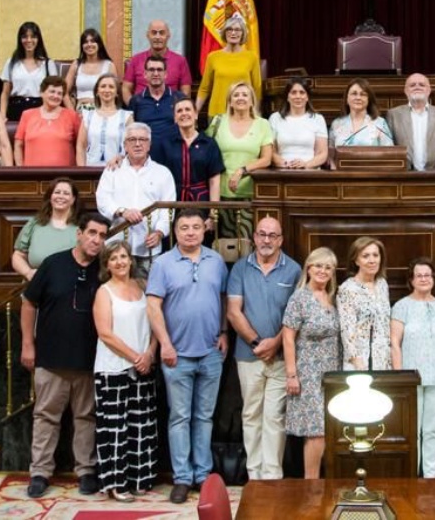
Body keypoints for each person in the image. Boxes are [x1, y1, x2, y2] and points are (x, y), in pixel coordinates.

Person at [20, 212, 111, 499]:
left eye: (102, 235)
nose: (96, 240)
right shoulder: (53, 264)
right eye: (92, 233)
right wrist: (27, 344)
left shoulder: (104, 269)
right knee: (46, 416)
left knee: (86, 417)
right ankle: (40, 472)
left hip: (90, 359)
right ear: (79, 233)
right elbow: (28, 303)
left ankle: (86, 470)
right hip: (51, 357)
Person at [145, 209, 229, 504]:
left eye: (195, 227)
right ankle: (182, 477)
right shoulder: (163, 263)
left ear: (204, 230)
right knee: (179, 417)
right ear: (175, 231)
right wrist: (165, 344)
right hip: (176, 355)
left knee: (204, 417)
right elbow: (153, 307)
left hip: (209, 352)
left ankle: (203, 476)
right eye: (184, 227)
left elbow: (222, 298)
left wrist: (223, 331)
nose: (190, 232)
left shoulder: (216, 260)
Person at [226, 217, 302, 480]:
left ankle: (272, 478)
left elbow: (296, 315)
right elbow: (234, 312)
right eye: (262, 234)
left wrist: (276, 342)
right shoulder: (239, 269)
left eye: (272, 235)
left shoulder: (294, 270)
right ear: (254, 237)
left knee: (274, 418)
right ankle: (254, 476)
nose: (267, 240)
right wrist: (258, 343)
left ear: (280, 239)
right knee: (251, 414)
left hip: (282, 357)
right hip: (249, 356)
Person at [91, 240, 158, 501]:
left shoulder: (142, 287)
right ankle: (117, 484)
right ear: (106, 265)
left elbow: (154, 324)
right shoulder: (103, 292)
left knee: (142, 425)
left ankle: (141, 478)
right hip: (113, 369)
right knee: (115, 428)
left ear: (131, 260)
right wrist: (134, 357)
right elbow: (105, 333)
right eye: (113, 258)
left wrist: (150, 353)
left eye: (123, 256)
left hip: (143, 366)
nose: (119, 262)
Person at [390, 258, 435, 479]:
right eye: (418, 275)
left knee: (432, 430)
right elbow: (394, 342)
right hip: (412, 378)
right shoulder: (402, 306)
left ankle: (429, 477)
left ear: (434, 279)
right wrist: (400, 377)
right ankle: (412, 475)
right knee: (412, 431)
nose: (423, 279)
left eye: (427, 275)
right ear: (411, 280)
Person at [283, 247, 342, 479]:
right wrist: (291, 374)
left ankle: (324, 482)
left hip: (332, 373)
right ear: (308, 267)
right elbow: (288, 337)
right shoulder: (300, 297)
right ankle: (311, 483)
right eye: (318, 265)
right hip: (308, 372)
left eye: (328, 267)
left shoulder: (333, 298)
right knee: (316, 432)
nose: (322, 271)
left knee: (329, 429)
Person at [94, 123, 176, 280]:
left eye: (142, 139)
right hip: (116, 246)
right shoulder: (112, 170)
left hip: (149, 248)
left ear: (149, 144)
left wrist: (159, 232)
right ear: (124, 145)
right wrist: (122, 211)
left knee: (149, 292)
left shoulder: (163, 173)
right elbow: (102, 199)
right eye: (132, 139)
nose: (137, 144)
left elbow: (168, 209)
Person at [207, 81, 273, 242]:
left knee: (245, 243)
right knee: (224, 244)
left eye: (245, 95)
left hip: (249, 194)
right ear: (229, 101)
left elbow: (266, 159)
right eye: (236, 95)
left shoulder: (262, 124)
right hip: (221, 195)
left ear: (252, 101)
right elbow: (207, 151)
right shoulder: (218, 122)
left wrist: (242, 170)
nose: (240, 98)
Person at [337, 236, 392, 371]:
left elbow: (385, 324)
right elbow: (347, 329)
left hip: (383, 361)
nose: (372, 260)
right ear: (356, 260)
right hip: (359, 363)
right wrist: (357, 362)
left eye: (375, 255)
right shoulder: (347, 289)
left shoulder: (382, 284)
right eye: (365, 256)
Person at [12, 177, 82, 281]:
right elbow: (18, 255)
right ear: (50, 197)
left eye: (66, 193)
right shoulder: (35, 223)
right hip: (36, 287)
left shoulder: (82, 227)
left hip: (71, 286)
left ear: (73, 199)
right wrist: (28, 273)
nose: (61, 196)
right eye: (57, 192)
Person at [197, 16, 261, 120]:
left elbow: (256, 89)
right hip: (217, 114)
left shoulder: (252, 57)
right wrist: (195, 112)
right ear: (224, 33)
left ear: (243, 33)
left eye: (237, 30)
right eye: (229, 29)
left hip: (243, 114)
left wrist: (256, 114)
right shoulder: (213, 57)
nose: (233, 33)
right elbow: (204, 88)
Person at [386, 73, 435, 171]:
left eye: (422, 85)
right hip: (404, 175)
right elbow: (390, 147)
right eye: (412, 85)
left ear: (429, 90)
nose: (417, 87)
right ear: (405, 91)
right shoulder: (393, 115)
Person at [165, 95, 224, 207]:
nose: (184, 113)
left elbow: (214, 181)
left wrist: (213, 212)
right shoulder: (167, 144)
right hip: (174, 200)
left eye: (188, 109)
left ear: (196, 114)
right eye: (179, 111)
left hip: (201, 200)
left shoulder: (209, 144)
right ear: (175, 118)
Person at [129, 55, 187, 167]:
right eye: (151, 70)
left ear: (166, 74)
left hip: (175, 159)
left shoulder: (179, 98)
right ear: (145, 74)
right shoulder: (136, 100)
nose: (155, 74)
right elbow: (130, 131)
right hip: (145, 161)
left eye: (159, 70)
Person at [14, 75, 81, 167]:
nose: (55, 96)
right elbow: (18, 145)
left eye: (59, 93)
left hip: (64, 177)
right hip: (31, 177)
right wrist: (20, 170)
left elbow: (81, 146)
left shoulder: (72, 116)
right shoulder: (27, 115)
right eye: (52, 92)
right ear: (42, 93)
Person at [0, 21, 59, 122]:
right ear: (20, 39)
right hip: (16, 109)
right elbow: (5, 93)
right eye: (25, 37)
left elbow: (54, 93)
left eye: (33, 37)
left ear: (38, 39)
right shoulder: (11, 62)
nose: (29, 40)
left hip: (40, 109)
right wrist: (2, 115)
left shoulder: (48, 64)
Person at [122, 19, 191, 103]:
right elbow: (125, 88)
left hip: (170, 111)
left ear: (168, 35)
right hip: (142, 110)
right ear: (148, 35)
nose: (157, 37)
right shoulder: (136, 60)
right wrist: (134, 108)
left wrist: (178, 109)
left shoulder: (180, 61)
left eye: (162, 33)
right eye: (154, 33)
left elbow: (186, 91)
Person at [269, 77, 328, 169]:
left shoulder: (318, 119)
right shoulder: (275, 118)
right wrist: (285, 164)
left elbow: (322, 153)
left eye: (302, 92)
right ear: (287, 97)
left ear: (307, 97)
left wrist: (306, 164)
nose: (298, 96)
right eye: (293, 92)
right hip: (282, 171)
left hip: (310, 171)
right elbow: (270, 152)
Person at [76, 74, 133, 167]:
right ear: (97, 91)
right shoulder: (88, 115)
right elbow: (81, 146)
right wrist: (82, 170)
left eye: (111, 87)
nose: (107, 90)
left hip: (118, 170)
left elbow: (132, 146)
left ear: (117, 92)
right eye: (103, 86)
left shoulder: (127, 117)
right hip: (91, 170)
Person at [330, 79, 394, 148]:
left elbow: (390, 153)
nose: (358, 97)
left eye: (363, 94)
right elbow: (330, 154)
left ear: (368, 99)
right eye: (354, 94)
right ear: (346, 99)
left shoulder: (380, 123)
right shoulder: (336, 124)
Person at [64, 28, 116, 112]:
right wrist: (72, 112)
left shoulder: (109, 65)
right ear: (82, 46)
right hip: (80, 110)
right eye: (85, 42)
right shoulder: (77, 64)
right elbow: (64, 91)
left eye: (92, 41)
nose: (89, 44)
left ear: (99, 44)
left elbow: (115, 91)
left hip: (103, 109)